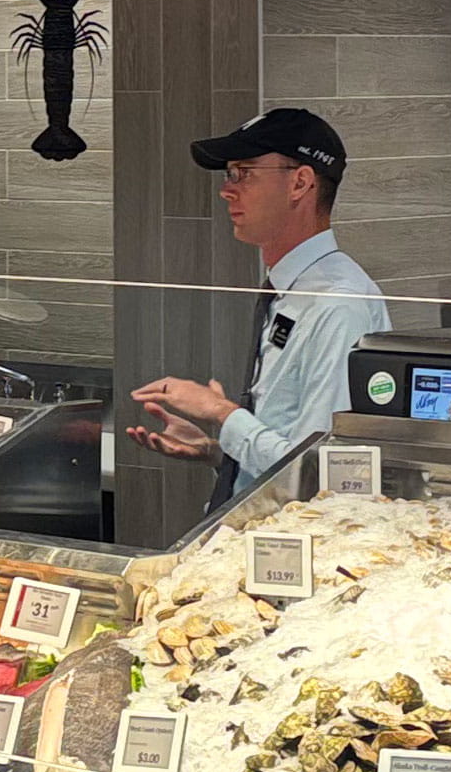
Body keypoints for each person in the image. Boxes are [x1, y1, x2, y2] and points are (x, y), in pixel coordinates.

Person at [126, 108, 389, 503]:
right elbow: (288, 441)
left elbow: (320, 474)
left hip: (294, 534)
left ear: (300, 183)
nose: (226, 190)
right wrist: (220, 453)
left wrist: (221, 412)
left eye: (243, 173)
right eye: (229, 174)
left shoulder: (337, 305)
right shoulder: (291, 289)